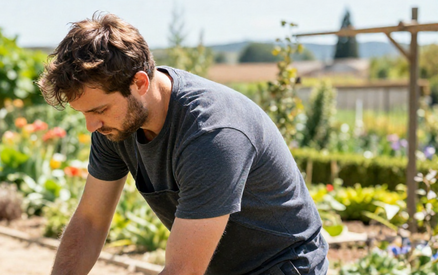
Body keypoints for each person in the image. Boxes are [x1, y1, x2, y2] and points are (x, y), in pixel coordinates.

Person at [36, 12, 328, 275]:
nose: (91, 126)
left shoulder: (212, 133)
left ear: (139, 84)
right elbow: (90, 222)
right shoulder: (113, 126)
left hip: (284, 266)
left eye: (98, 110)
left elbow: (183, 271)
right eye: (84, 113)